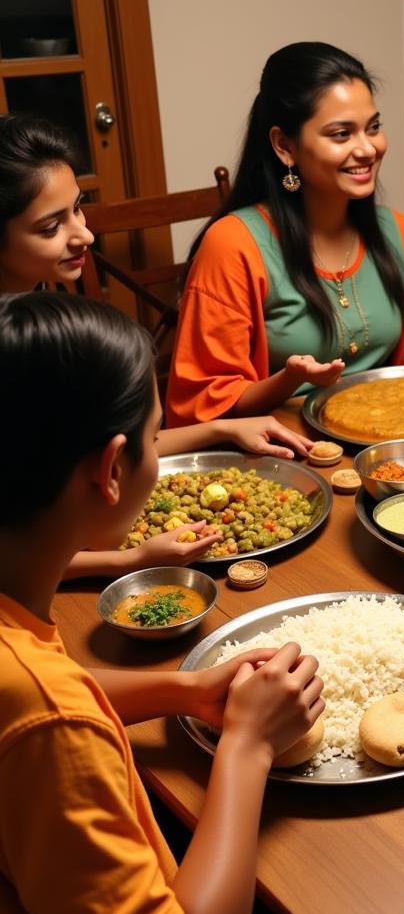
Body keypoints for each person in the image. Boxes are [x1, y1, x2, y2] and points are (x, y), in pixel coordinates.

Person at [0, 291, 325, 914]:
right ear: (111, 470)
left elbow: (41, 696)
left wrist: (185, 691)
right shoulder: (50, 720)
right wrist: (248, 744)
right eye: (154, 438)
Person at [0, 112, 314, 574]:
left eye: (78, 207)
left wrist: (222, 430)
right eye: (51, 227)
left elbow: (108, 445)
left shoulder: (39, 300)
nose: (84, 233)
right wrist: (129, 560)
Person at [166, 42, 404, 425]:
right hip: (276, 454)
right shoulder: (233, 245)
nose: (369, 148)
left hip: (385, 444)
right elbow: (201, 404)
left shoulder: (396, 232)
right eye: (341, 134)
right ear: (285, 146)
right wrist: (288, 380)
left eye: (373, 128)